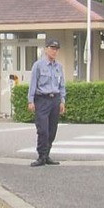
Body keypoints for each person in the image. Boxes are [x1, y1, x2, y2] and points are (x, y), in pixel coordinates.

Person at [27, 38, 66, 167]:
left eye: (56, 49)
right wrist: (31, 100)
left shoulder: (59, 67)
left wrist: (62, 101)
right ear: (46, 50)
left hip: (55, 100)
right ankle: (41, 156)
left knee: (52, 130)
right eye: (52, 48)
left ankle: (46, 154)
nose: (54, 51)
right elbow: (33, 84)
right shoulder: (38, 65)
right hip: (42, 100)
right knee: (43, 130)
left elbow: (62, 85)